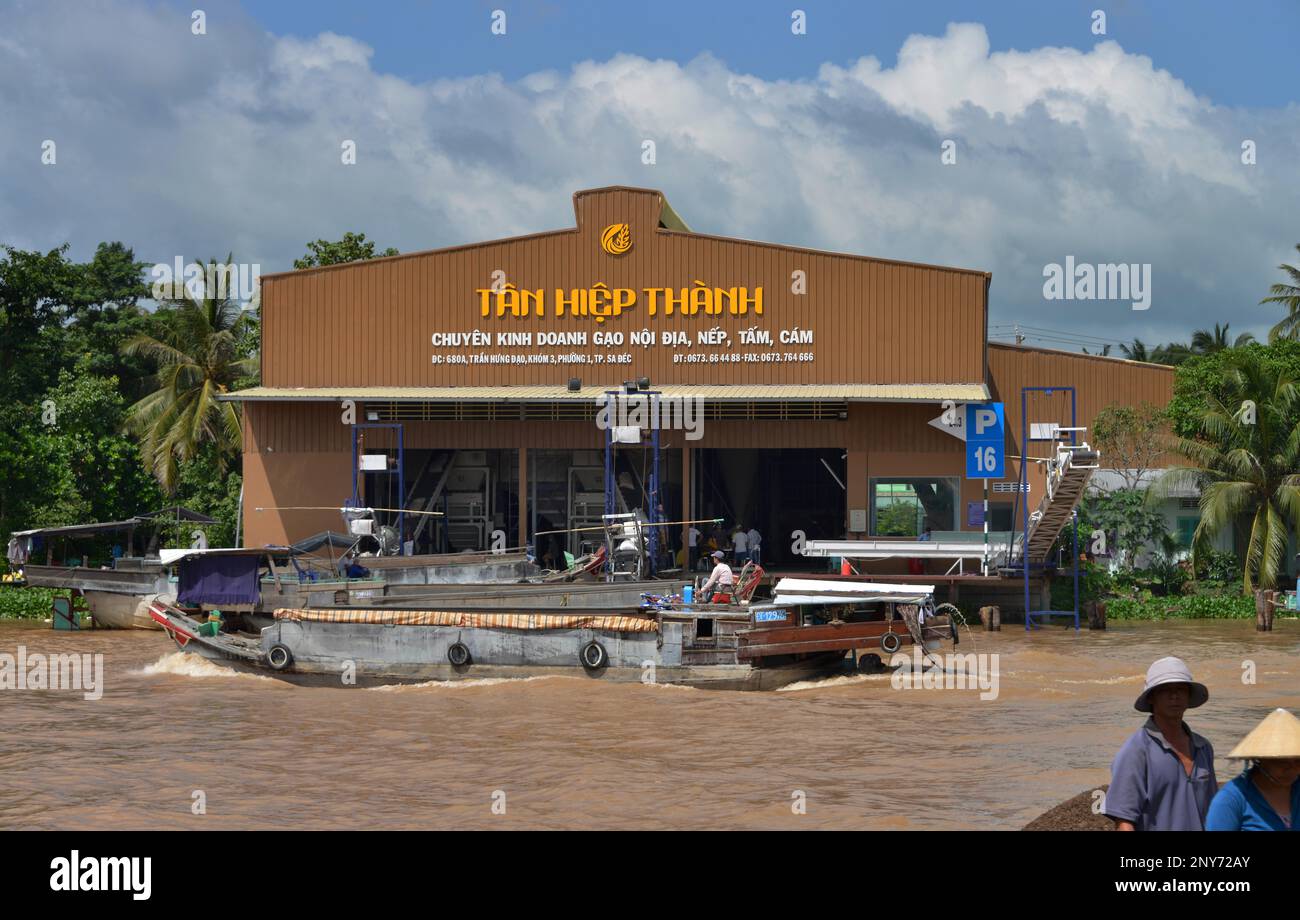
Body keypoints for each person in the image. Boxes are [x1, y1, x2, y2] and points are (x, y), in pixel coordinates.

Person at [1104, 657, 1217, 831]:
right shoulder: (1137, 750)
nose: (1174, 696)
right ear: (1151, 698)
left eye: (1180, 689)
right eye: (1166, 690)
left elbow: (1212, 811)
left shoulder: (1203, 748)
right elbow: (1124, 822)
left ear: (1188, 696)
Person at [1206, 708, 1300, 831]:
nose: (1292, 769)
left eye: (1298, 762)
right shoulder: (1231, 799)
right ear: (1260, 760)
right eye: (1282, 763)